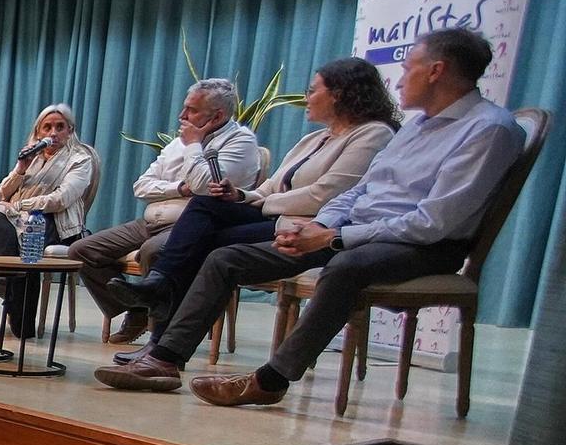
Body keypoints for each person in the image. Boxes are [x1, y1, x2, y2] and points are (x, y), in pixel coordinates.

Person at [95, 28, 526, 405]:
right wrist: (324, 225)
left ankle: (271, 380)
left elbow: (434, 224)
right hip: (351, 231)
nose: (401, 76)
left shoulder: (488, 130)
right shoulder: (415, 127)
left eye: (409, 64)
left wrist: (334, 239)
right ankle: (164, 361)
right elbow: (358, 190)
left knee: (344, 266)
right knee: (226, 257)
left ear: (436, 70)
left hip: (420, 246)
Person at [103, 57, 398, 359]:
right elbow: (272, 185)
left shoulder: (372, 133)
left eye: (312, 90)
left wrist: (263, 202)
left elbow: (326, 196)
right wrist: (241, 195)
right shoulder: (315, 138)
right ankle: (158, 302)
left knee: (194, 246)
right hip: (276, 213)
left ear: (339, 94)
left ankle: (161, 332)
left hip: (306, 225)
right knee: (207, 203)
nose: (307, 97)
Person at [67, 79, 260, 345]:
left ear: (217, 116)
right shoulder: (177, 143)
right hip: (151, 219)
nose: (182, 116)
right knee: (81, 250)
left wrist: (194, 145)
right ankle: (137, 310)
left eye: (191, 110)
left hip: (192, 225)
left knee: (155, 251)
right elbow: (141, 185)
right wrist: (179, 188)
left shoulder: (241, 142)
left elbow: (205, 186)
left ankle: (161, 338)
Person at [0, 104, 99, 338]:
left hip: (53, 224)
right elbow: (1, 194)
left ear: (70, 131)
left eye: (60, 127)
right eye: (47, 127)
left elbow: (62, 199)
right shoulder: (32, 157)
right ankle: (13, 310)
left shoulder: (80, 159)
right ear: (38, 132)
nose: (53, 133)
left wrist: (17, 207)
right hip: (14, 222)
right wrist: (20, 169)